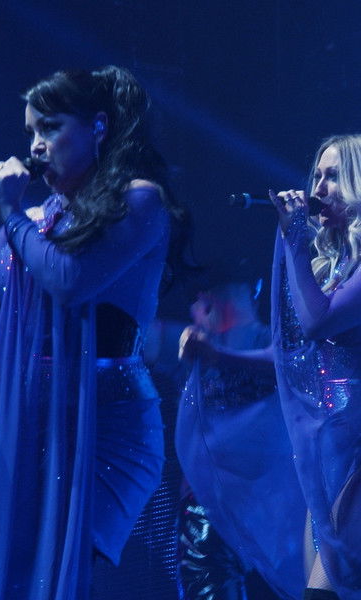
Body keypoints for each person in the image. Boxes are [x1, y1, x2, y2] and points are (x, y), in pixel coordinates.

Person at [0, 65, 187, 599]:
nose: (35, 145)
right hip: (31, 424)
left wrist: (10, 213)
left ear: (98, 127)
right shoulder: (34, 219)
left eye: (50, 128)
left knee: (63, 571)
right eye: (30, 132)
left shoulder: (140, 200)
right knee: (17, 580)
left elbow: (69, 281)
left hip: (107, 424)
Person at [270, 134, 361, 600]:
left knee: (324, 592)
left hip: (357, 448)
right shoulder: (337, 264)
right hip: (333, 448)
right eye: (317, 176)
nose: (318, 189)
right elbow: (295, 351)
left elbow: (317, 323)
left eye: (333, 177)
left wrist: (294, 241)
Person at [176, 281, 305, 600]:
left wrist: (219, 356)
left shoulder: (271, 338)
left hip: (271, 501)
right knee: (207, 578)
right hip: (211, 501)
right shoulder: (196, 348)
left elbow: (287, 365)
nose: (198, 307)